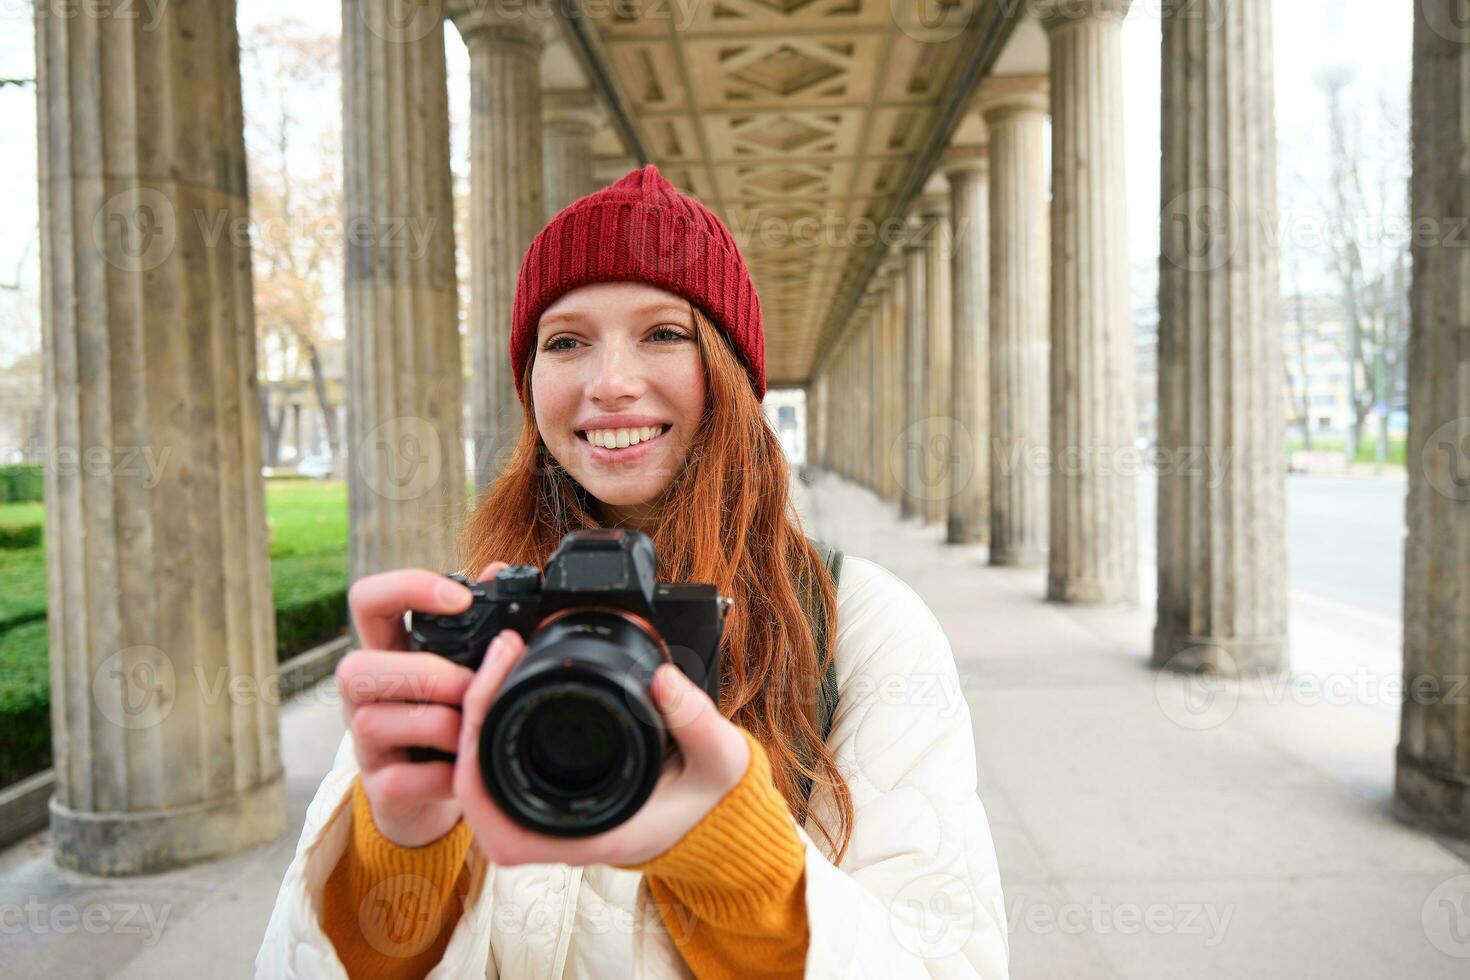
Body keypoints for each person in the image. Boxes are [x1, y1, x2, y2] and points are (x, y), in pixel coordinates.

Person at [256, 165, 1009, 979]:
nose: (610, 383)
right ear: (530, 382)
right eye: (567, 341)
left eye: (663, 333)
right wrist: (397, 854)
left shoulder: (858, 624)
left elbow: (946, 961)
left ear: (730, 370)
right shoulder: (470, 625)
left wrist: (738, 860)